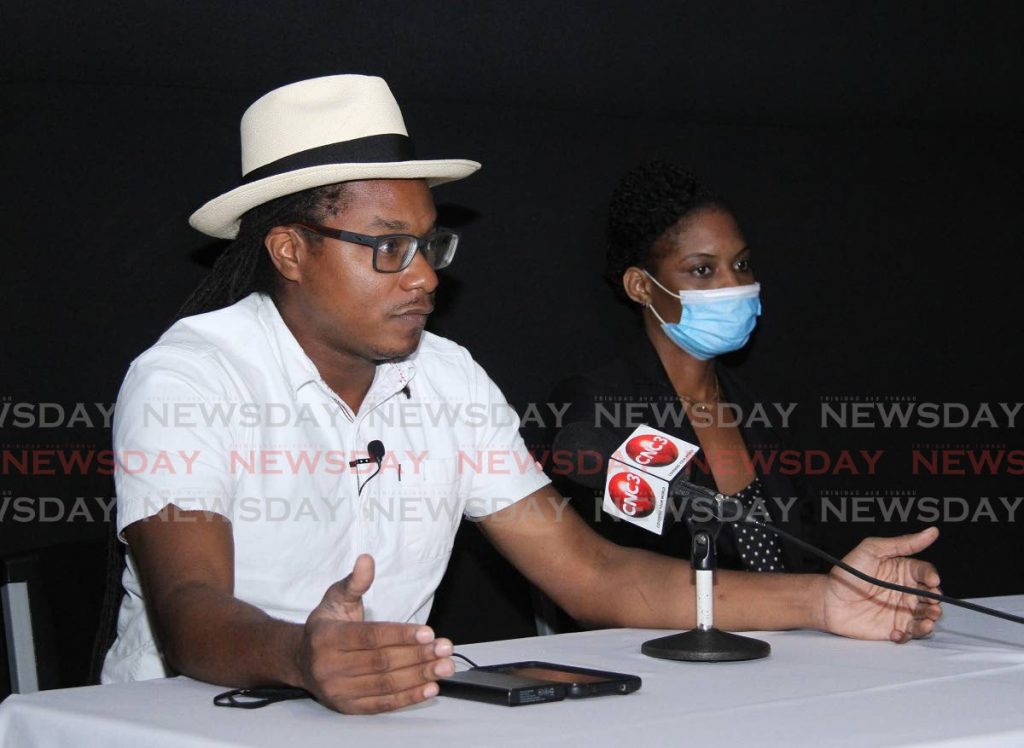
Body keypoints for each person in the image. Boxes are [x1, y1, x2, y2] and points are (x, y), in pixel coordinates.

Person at [102, 75, 943, 715]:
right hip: (187, 721)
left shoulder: (449, 379)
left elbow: (589, 572)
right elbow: (189, 611)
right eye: (387, 249)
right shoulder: (189, 378)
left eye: (430, 244)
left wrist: (827, 599)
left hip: (387, 717)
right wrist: (303, 657)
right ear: (289, 250)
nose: (426, 275)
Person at [548, 162, 817, 577]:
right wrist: (807, 603)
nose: (734, 285)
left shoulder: (759, 408)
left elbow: (805, 552)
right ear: (640, 286)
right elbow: (627, 573)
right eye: (703, 270)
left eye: (742, 265)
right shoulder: (596, 409)